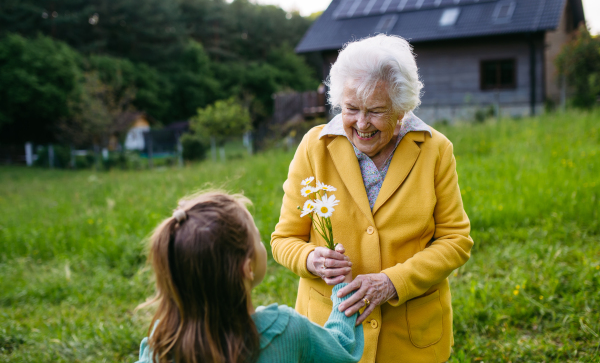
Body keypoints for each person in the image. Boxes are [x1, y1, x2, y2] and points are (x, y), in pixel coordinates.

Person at [271, 34, 473, 362]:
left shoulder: (435, 150)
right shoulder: (314, 147)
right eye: (352, 109)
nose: (362, 124)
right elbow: (284, 239)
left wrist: (391, 283)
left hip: (410, 339)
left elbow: (456, 240)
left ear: (401, 108)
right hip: (330, 337)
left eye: (376, 112)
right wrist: (312, 259)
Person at [135, 191, 364, 363]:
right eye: (258, 239)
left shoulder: (161, 344)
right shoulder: (286, 331)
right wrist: (345, 291)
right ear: (248, 268)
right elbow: (341, 349)